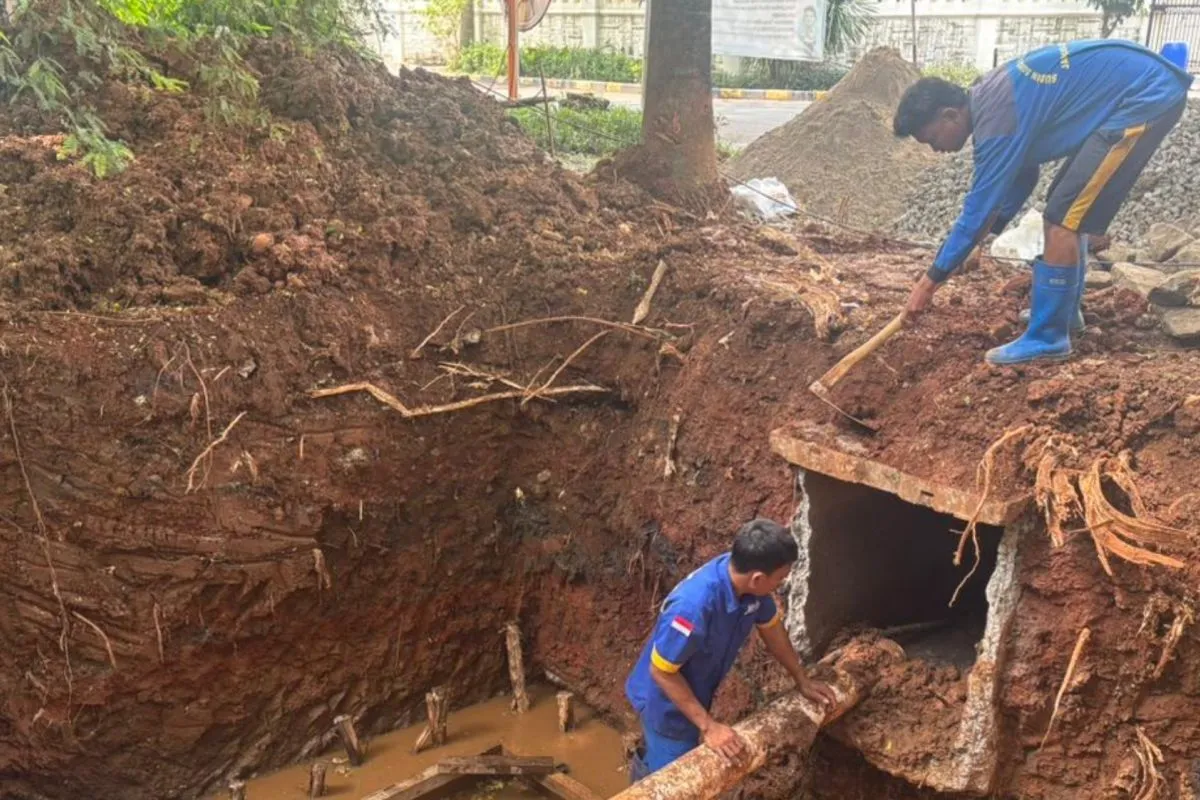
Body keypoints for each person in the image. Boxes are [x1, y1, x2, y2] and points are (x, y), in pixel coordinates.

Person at [893, 40, 1192, 365]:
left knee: (1063, 218)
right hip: (1139, 90)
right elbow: (1024, 176)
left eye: (932, 139)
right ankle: (1063, 316)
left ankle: (1049, 336)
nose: (935, 150)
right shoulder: (989, 102)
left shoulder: (996, 122)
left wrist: (928, 283)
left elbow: (977, 210)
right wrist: (987, 234)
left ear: (949, 115)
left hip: (1144, 98)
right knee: (1062, 209)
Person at [624, 519, 836, 778]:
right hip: (665, 703)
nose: (780, 585)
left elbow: (771, 628)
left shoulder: (747, 582)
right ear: (758, 578)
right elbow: (661, 672)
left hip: (694, 687)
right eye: (780, 579)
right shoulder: (692, 608)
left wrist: (801, 678)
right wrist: (709, 726)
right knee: (670, 778)